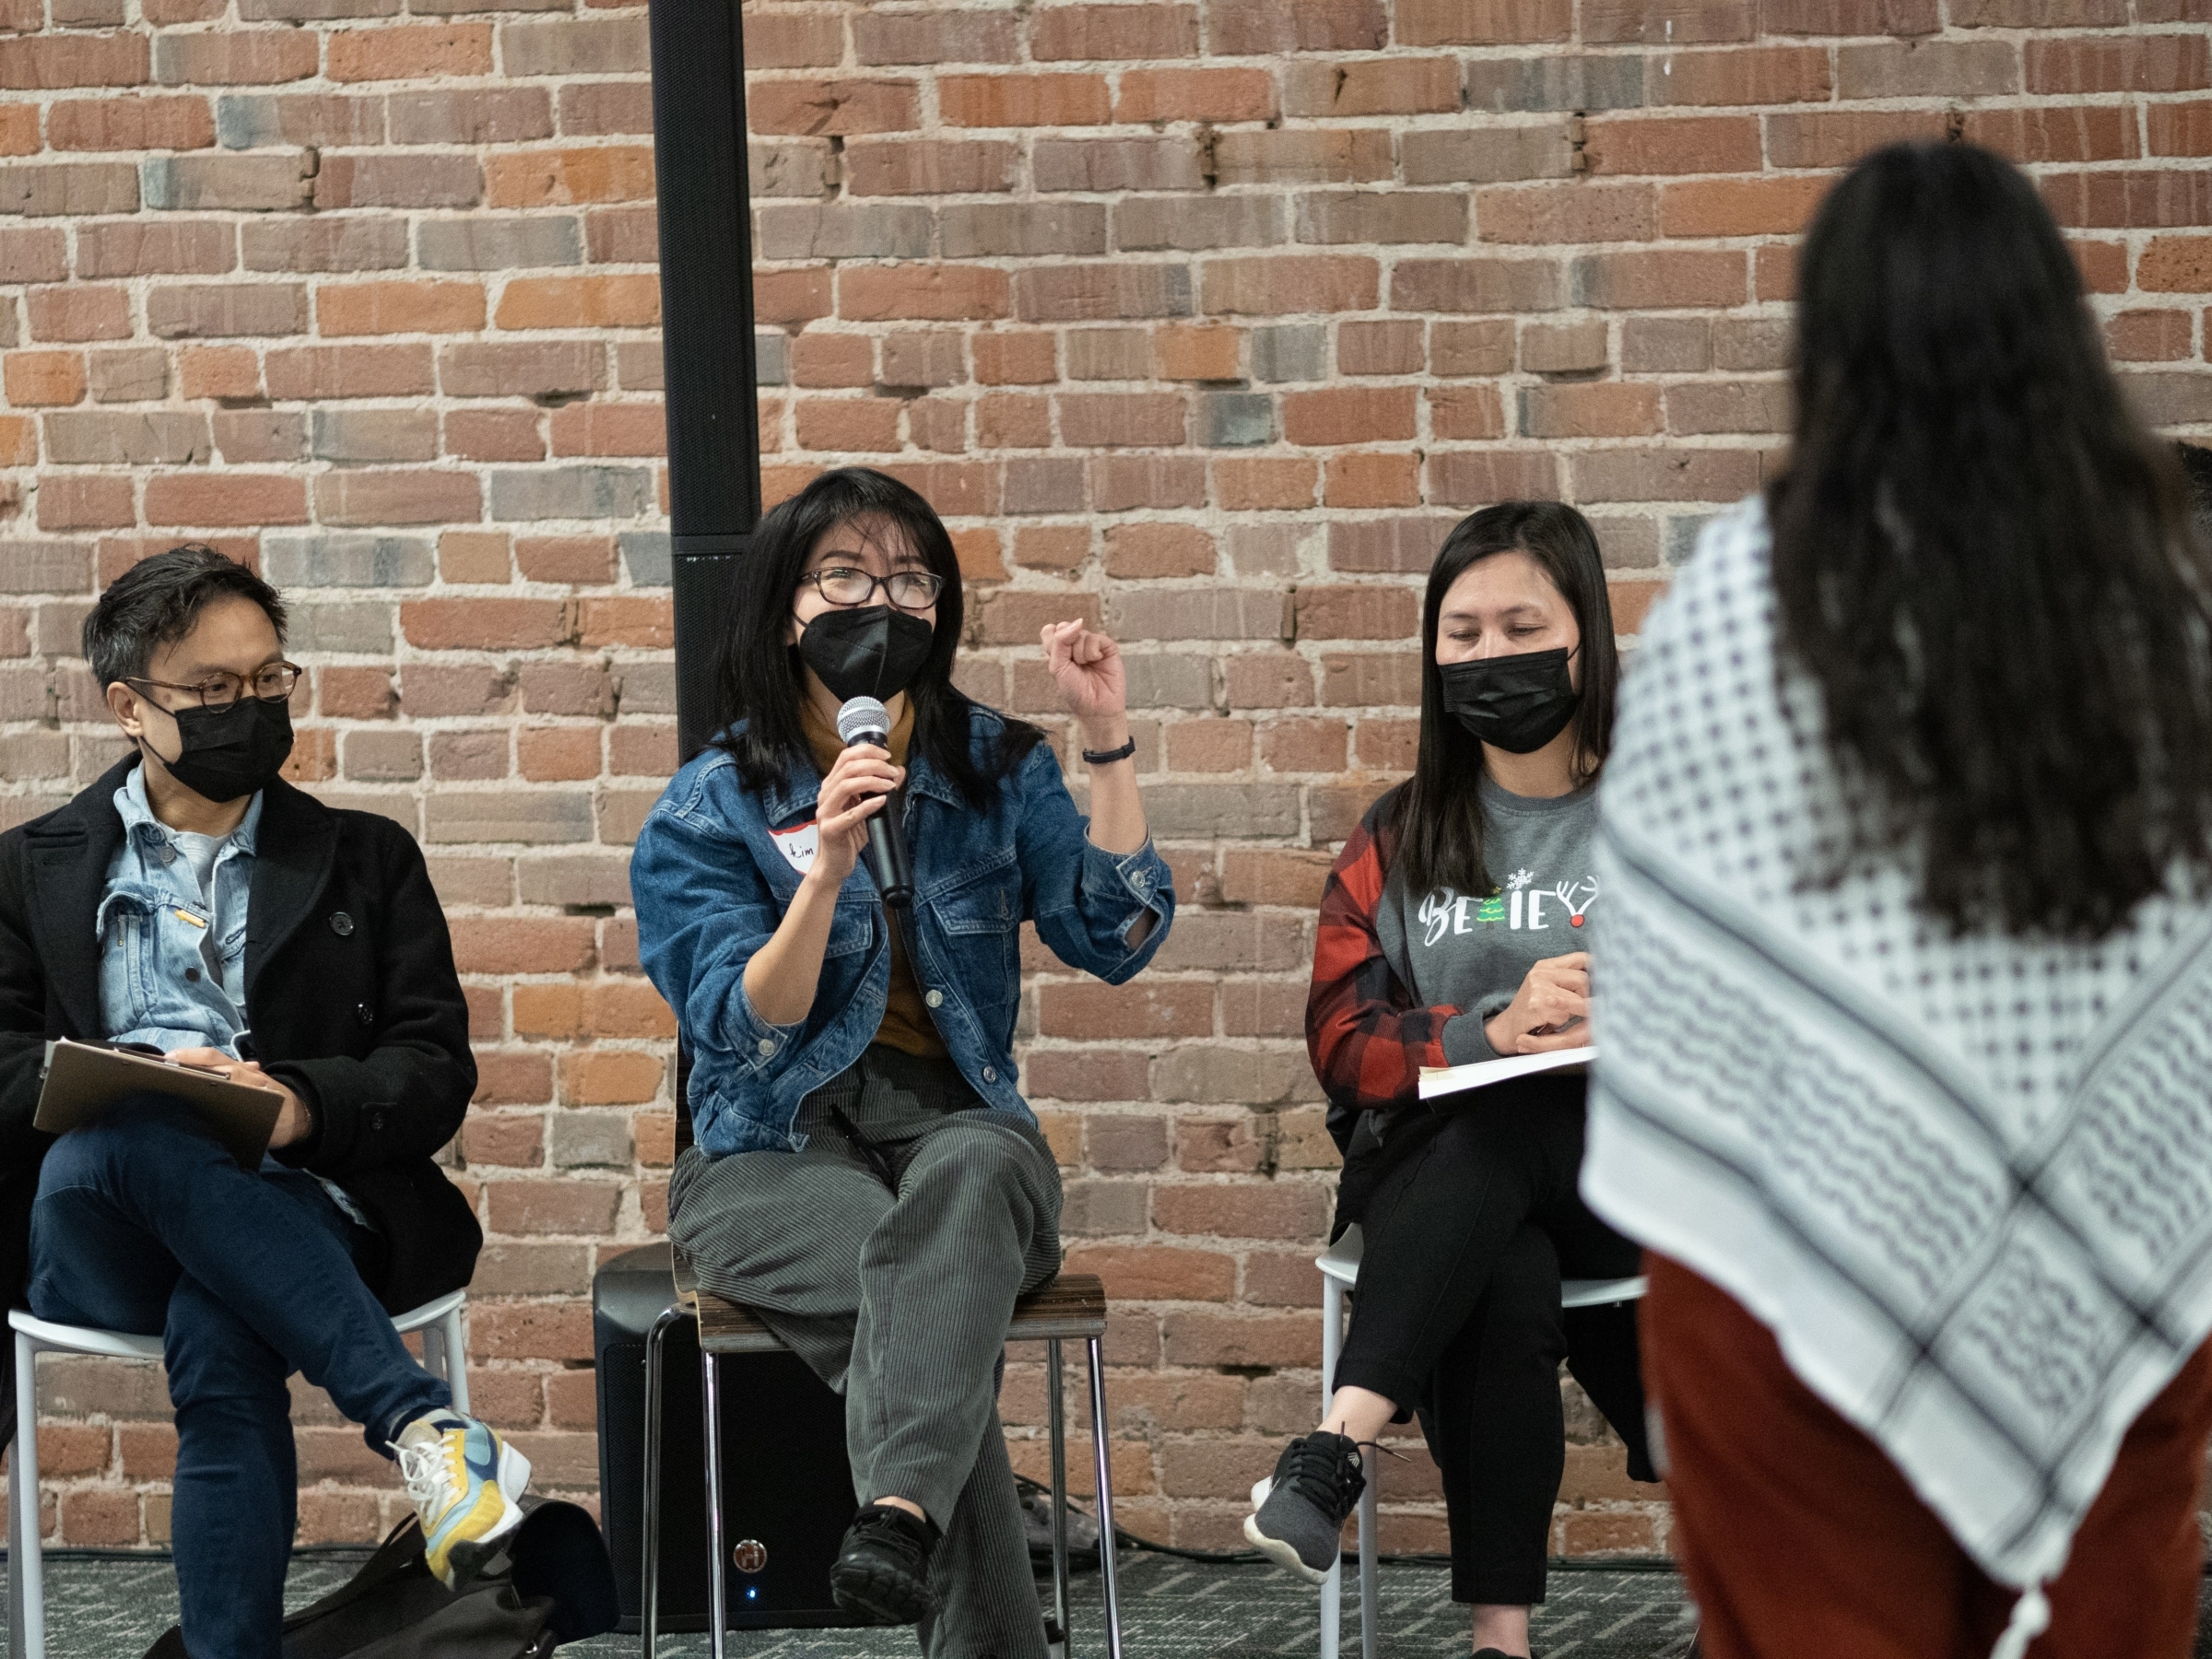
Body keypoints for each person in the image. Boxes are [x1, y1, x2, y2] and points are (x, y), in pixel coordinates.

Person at [1582, 142, 2212, 1659]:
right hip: (2123, 1239)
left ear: (1827, 343)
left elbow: (1665, 965)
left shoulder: (1742, 593)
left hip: (1790, 1255)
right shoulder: (2171, 602)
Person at [629, 466, 1173, 1655]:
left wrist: (1105, 740)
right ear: (788, 606)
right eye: (845, 576)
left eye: (909, 578)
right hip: (772, 1144)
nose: (882, 600)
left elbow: (1116, 934)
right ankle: (909, 1512)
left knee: (970, 1187)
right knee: (929, 1310)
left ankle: (894, 1508)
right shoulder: (710, 805)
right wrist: (823, 870)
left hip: (956, 1127)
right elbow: (737, 1020)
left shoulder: (997, 764)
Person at [0, 547, 526, 1659]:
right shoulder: (27, 869)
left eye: (268, 681)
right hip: (98, 1221)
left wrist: (292, 1105)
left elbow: (432, 1066)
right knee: (140, 1124)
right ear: (127, 707)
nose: (249, 709)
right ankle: (417, 1422)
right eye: (212, 691)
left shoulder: (367, 859)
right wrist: (119, 1078)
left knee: (220, 1329)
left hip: (305, 1201)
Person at [1243, 502, 1656, 1659]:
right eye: (1462, 633)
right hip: (1439, 1187)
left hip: (1629, 1180)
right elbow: (1339, 1041)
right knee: (1501, 1238)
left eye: (1521, 624)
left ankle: (1339, 1440)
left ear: (1587, 635)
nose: (1490, 655)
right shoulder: (1404, 833)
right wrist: (1485, 1031)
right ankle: (1499, 1642)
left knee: (1523, 1108)